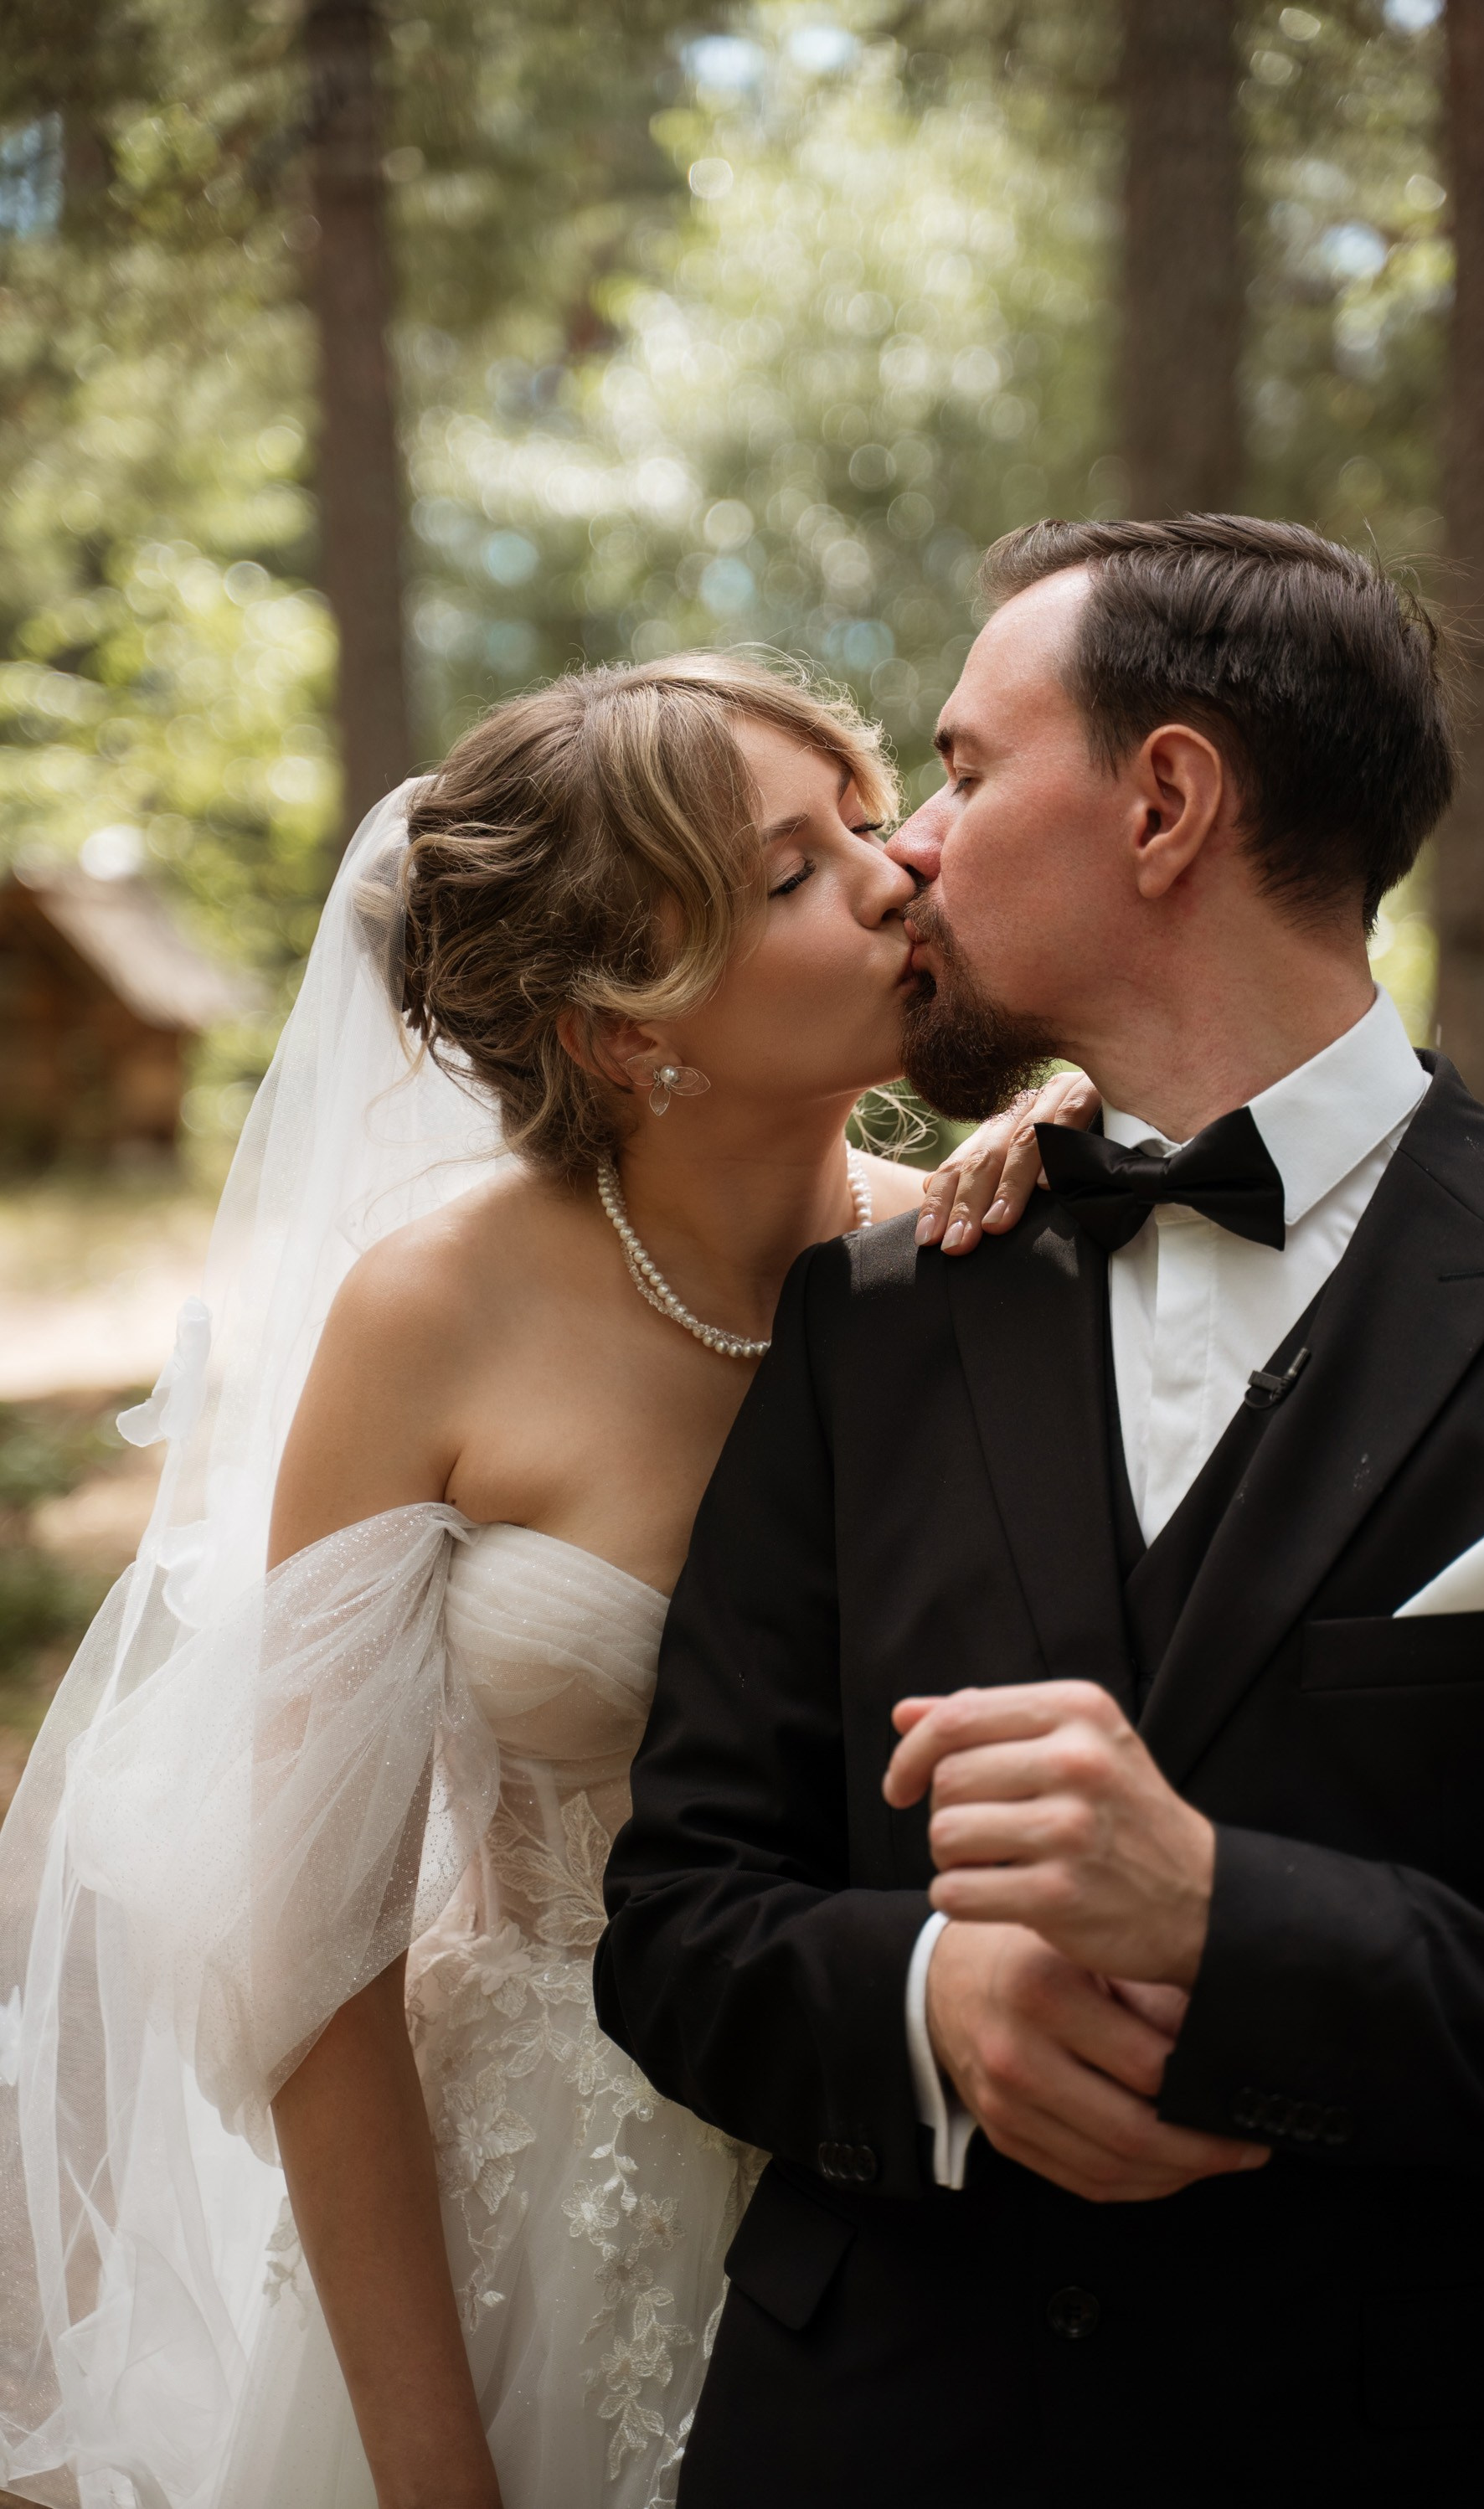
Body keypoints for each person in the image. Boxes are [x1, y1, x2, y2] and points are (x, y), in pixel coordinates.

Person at [595, 516, 1484, 2509]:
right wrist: (935, 2008)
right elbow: (670, 1924)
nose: (911, 843)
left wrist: (1231, 1929)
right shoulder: (870, 1312)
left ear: (1166, 800)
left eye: (968, 768)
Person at [0, 651, 1078, 2509]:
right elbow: (313, 1964)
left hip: (933, 2180)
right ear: (618, 1024)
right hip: (544, 2233)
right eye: (792, 874)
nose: (899, 876)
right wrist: (438, 2471)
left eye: (873, 818)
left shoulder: (996, 1251)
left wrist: (1083, 1133)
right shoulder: (431, 1317)